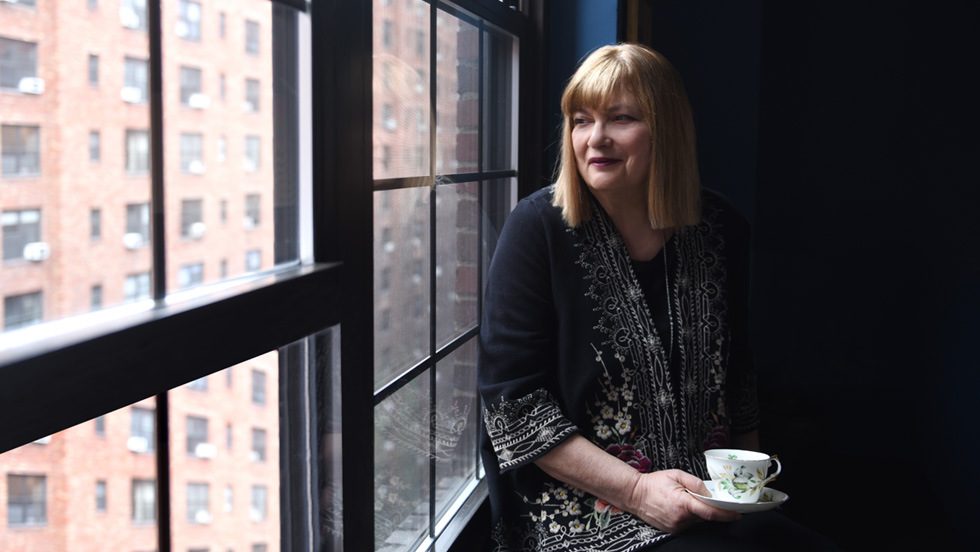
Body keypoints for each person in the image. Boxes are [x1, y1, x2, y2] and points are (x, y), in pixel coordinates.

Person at [478, 44, 836, 551]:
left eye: (620, 118)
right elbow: (514, 408)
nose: (595, 138)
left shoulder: (721, 227)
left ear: (666, 130)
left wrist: (748, 495)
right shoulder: (536, 230)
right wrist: (637, 490)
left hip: (706, 494)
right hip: (584, 510)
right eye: (581, 120)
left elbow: (737, 372)